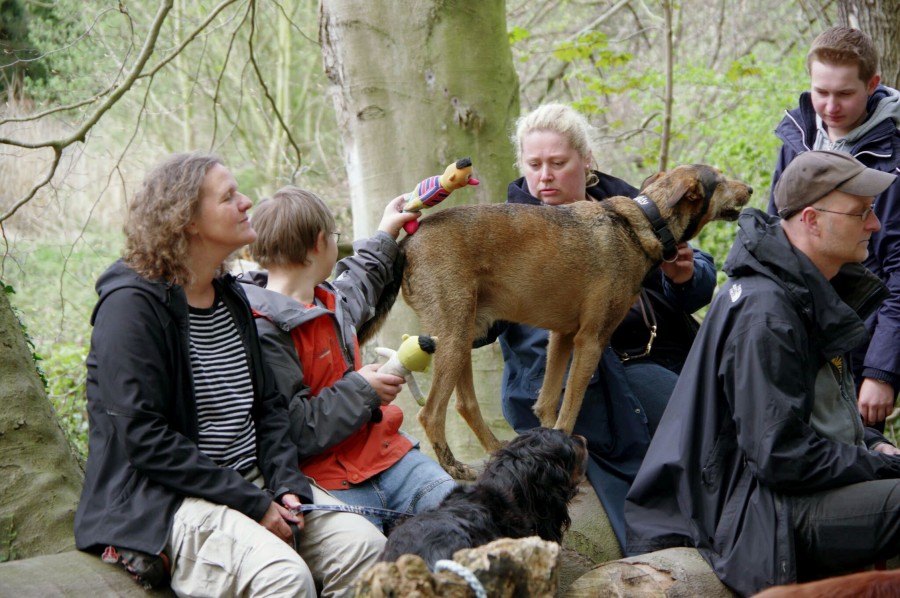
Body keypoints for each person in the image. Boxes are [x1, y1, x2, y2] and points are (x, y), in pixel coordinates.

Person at [74, 153, 386, 598]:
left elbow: (268, 406)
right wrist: (253, 503)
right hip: (166, 500)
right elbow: (145, 438)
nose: (246, 202)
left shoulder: (230, 296)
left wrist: (285, 483)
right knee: (285, 578)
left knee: (367, 550)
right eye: (228, 197)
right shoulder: (131, 307)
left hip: (253, 482)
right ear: (187, 220)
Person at [626, 150, 900, 596]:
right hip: (750, 511)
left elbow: (809, 417)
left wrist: (872, 444)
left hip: (775, 491)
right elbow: (779, 456)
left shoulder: (799, 288)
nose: (874, 224)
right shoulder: (765, 313)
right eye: (861, 213)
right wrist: (877, 465)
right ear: (812, 220)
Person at [476, 103, 716, 551]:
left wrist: (684, 274)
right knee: (678, 439)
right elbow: (484, 327)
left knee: (724, 420)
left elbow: (699, 278)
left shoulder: (629, 202)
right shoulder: (510, 230)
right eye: (534, 165)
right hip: (593, 384)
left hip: (669, 352)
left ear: (587, 161)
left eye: (557, 163)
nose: (544, 176)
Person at [240, 186, 455, 532]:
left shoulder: (328, 300)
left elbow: (360, 278)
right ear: (320, 243)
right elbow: (292, 429)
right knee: (375, 554)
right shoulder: (264, 331)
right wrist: (363, 390)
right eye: (335, 238)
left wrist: (386, 231)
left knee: (461, 511)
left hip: (386, 457)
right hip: (325, 479)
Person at [769, 26, 900, 428]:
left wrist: (881, 370)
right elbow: (776, 233)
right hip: (793, 334)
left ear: (872, 84)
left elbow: (898, 270)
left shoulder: (893, 160)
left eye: (844, 93)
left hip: (860, 340)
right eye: (820, 91)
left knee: (858, 451)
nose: (830, 106)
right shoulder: (796, 140)